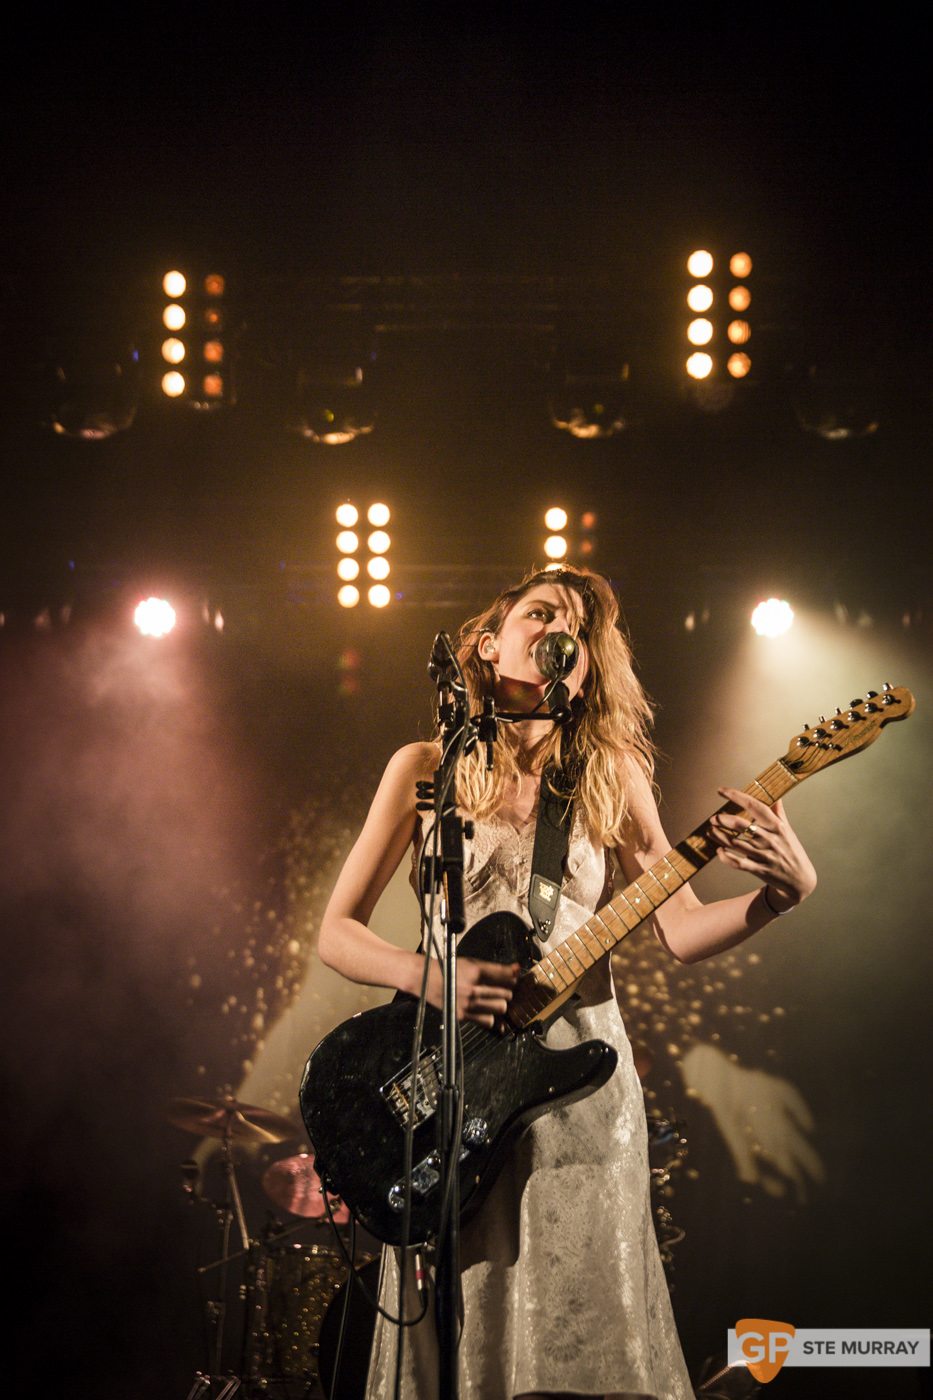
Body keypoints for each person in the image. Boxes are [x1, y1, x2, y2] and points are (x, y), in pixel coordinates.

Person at [317, 564, 817, 1400]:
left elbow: (682, 929)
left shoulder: (610, 773)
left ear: (589, 666)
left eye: (580, 631)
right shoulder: (424, 767)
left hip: (579, 1093)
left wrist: (778, 897)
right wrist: (432, 979)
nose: (562, 635)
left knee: (579, 1329)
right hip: (455, 1085)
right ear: (489, 643)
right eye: (541, 614)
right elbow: (337, 932)